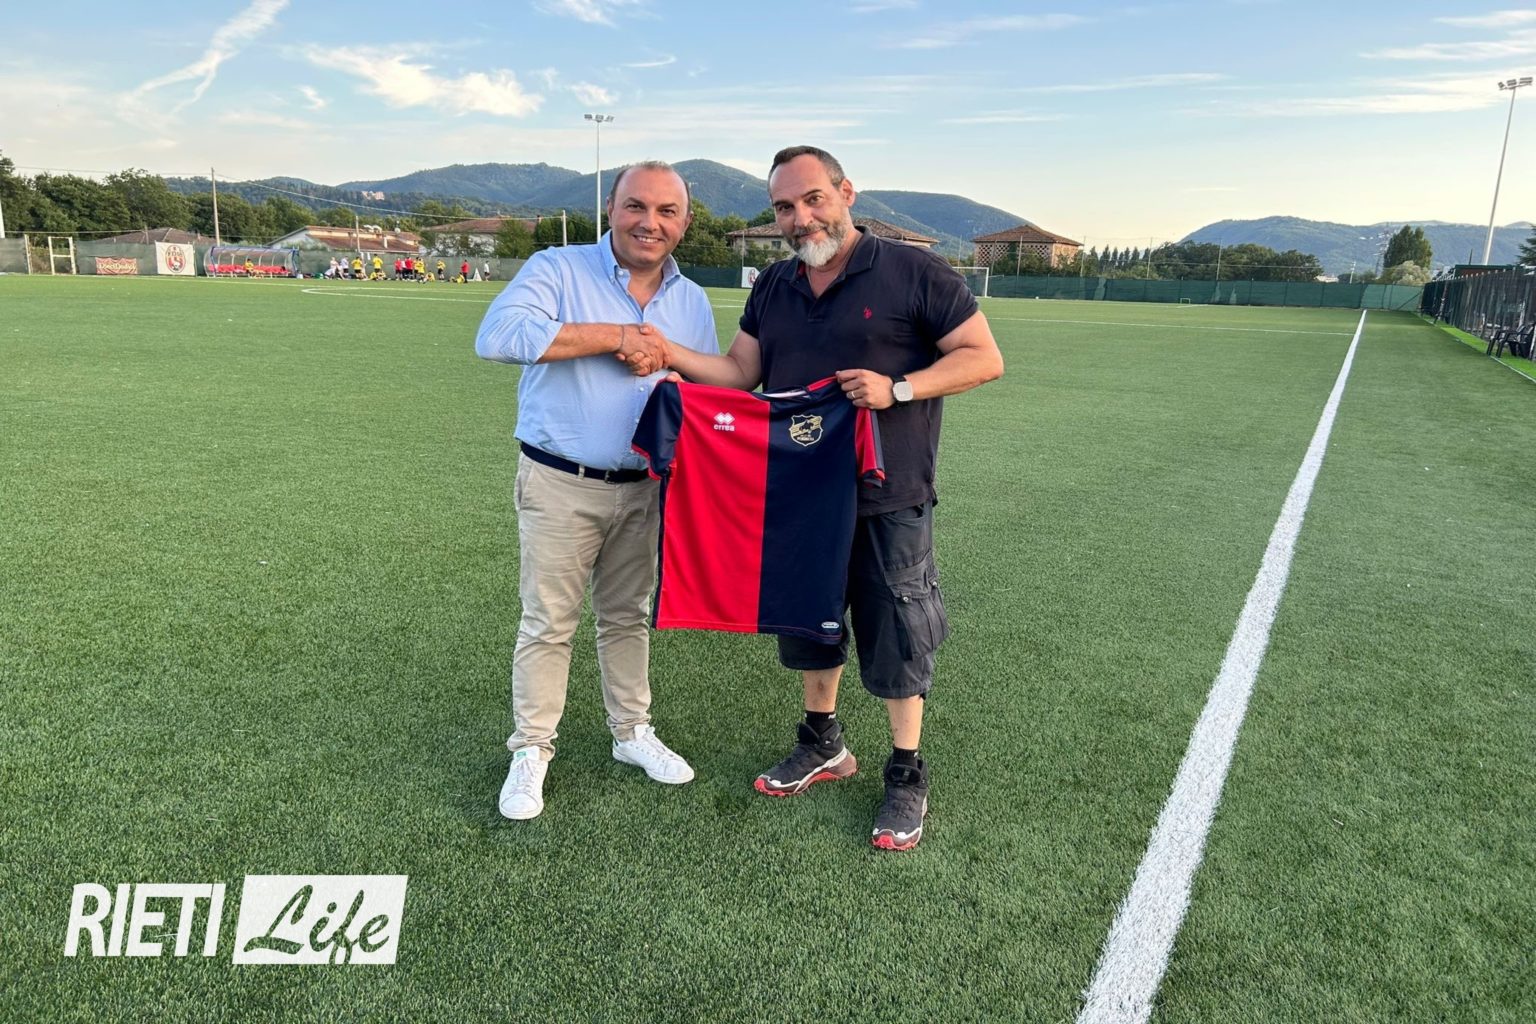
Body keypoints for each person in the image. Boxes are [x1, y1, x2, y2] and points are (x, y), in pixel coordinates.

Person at [660, 145, 1004, 851]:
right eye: (785, 207)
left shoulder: (914, 271)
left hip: (889, 493)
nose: (800, 218)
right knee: (808, 621)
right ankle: (823, 742)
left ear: (846, 193)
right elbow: (740, 372)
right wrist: (670, 357)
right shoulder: (776, 283)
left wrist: (897, 389)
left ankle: (906, 769)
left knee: (898, 629)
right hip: (798, 492)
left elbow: (983, 357)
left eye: (813, 198)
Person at [474, 161, 719, 821]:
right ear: (611, 208)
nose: (650, 222)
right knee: (548, 621)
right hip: (561, 479)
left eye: (667, 211)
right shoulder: (557, 268)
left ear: (684, 222)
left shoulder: (691, 300)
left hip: (644, 488)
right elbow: (497, 337)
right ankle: (531, 748)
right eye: (636, 206)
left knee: (627, 616)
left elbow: (701, 385)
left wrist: (674, 374)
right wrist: (616, 336)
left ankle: (631, 732)